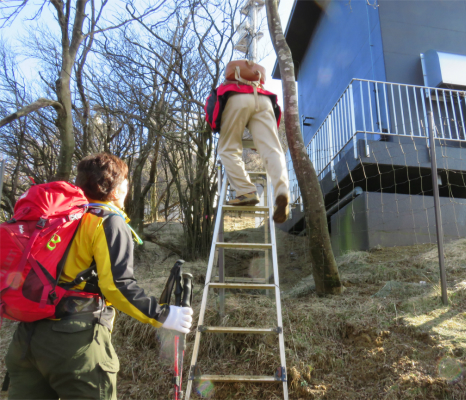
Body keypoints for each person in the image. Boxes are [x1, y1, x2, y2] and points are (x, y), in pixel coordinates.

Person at [5, 153, 193, 400]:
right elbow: (116, 286)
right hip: (74, 342)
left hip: (26, 340)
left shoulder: (59, 219)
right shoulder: (107, 221)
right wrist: (162, 315)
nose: (127, 188)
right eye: (126, 182)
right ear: (113, 190)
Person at [205, 60, 290, 223]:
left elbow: (211, 111)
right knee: (273, 150)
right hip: (264, 101)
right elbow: (274, 124)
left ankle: (246, 190)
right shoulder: (261, 87)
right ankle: (282, 191)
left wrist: (216, 127)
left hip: (237, 97)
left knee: (227, 149)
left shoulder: (227, 86)